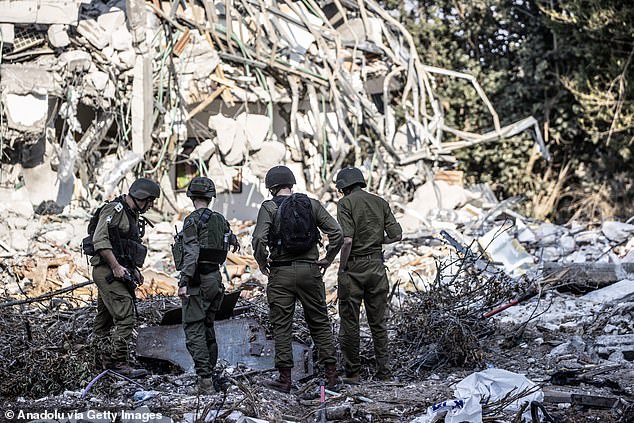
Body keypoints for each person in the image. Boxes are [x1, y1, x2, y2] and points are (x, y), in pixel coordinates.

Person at [251, 165, 343, 393]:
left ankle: (285, 379)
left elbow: (258, 240)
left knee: (282, 326)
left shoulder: (269, 207)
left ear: (271, 187)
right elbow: (337, 233)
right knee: (319, 323)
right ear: (291, 184)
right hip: (311, 271)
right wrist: (327, 259)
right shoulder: (310, 204)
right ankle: (332, 377)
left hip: (280, 273)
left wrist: (263, 264)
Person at [335, 167, 402, 384]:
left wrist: (341, 267)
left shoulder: (345, 204)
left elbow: (346, 241)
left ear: (343, 186)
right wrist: (375, 240)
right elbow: (397, 235)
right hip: (376, 266)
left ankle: (353, 373)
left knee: (350, 323)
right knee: (378, 323)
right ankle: (384, 373)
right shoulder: (380, 202)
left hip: (353, 268)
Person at [91, 177, 160, 378]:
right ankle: (118, 362)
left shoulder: (132, 214)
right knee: (126, 316)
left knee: (104, 320)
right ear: (141, 198)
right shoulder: (115, 210)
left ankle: (98, 359)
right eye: (150, 201)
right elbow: (100, 240)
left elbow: (125, 245)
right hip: (107, 271)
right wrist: (115, 266)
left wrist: (134, 270)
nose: (151, 205)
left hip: (117, 270)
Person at [178, 176, 238, 392]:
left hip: (198, 281)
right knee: (208, 327)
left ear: (191, 196)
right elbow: (232, 242)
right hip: (215, 279)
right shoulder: (220, 219)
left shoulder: (192, 221)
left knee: (194, 330)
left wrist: (184, 281)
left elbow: (192, 252)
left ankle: (205, 381)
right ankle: (210, 375)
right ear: (211, 197)